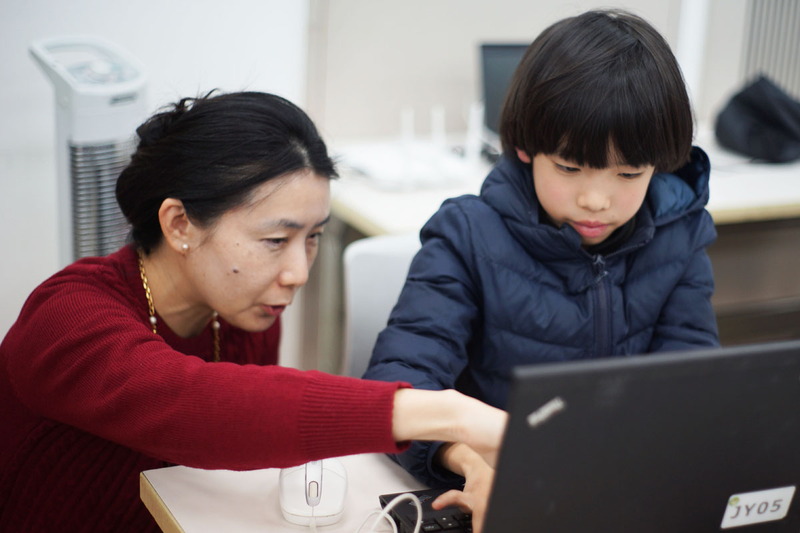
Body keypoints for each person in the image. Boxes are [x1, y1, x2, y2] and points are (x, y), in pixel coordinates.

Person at [0, 91, 506, 532]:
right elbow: (196, 409)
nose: (298, 272)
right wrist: (449, 413)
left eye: (312, 239)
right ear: (179, 224)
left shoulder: (239, 311)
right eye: (275, 240)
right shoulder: (66, 318)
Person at [364, 8, 720, 525]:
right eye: (570, 168)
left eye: (628, 173)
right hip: (498, 486)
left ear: (660, 164)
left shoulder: (679, 235)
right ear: (525, 148)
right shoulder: (467, 235)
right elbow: (398, 387)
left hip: (619, 495)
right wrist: (468, 461)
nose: (596, 199)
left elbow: (691, 385)